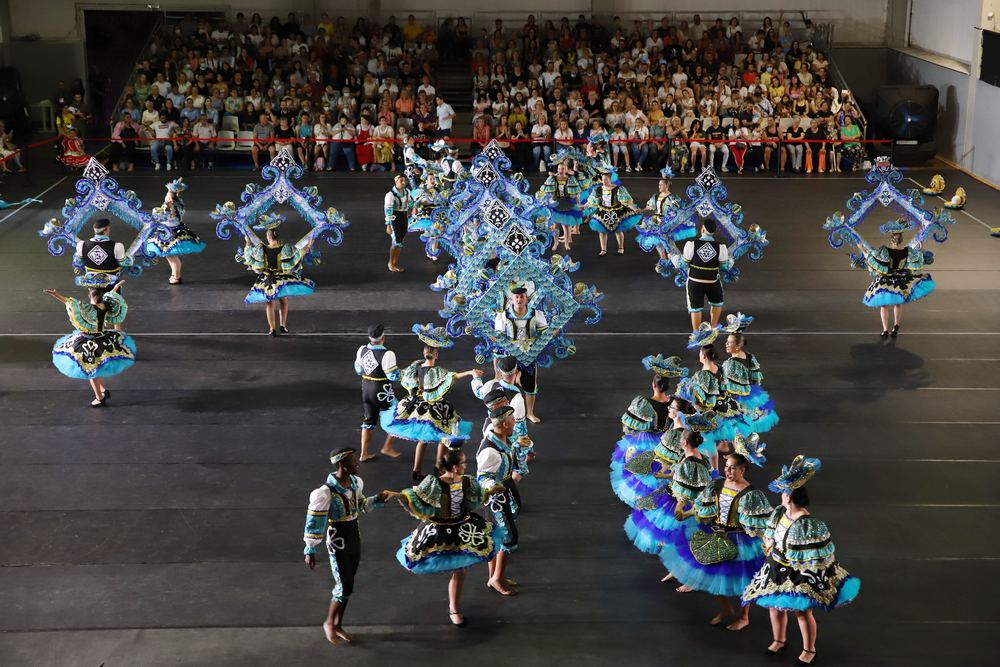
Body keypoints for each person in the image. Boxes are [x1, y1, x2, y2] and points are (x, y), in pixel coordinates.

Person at [741, 456, 861, 664]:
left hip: (798, 572)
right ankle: (779, 640)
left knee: (802, 612)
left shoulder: (807, 524)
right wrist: (769, 547)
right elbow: (770, 535)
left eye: (783, 492)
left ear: (789, 497)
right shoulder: (779, 513)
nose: (780, 496)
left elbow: (815, 555)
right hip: (775, 566)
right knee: (774, 606)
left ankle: (809, 650)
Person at [383, 447, 503, 627]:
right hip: (441, 530)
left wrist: (491, 491)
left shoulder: (466, 482)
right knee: (456, 569)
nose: (466, 466)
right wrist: (396, 495)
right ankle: (453, 608)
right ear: (454, 467)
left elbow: (476, 496)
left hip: (463, 526)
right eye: (463, 463)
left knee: (461, 570)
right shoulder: (434, 484)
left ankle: (457, 606)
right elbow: (416, 497)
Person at [663, 442, 771, 631]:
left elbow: (758, 524)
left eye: (733, 468)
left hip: (740, 539)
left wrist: (767, 542)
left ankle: (744, 617)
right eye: (727, 467)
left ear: (743, 470)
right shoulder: (717, 483)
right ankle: (726, 609)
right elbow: (703, 506)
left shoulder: (752, 494)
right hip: (716, 533)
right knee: (714, 573)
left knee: (744, 580)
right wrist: (687, 513)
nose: (728, 471)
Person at [302, 448, 390, 645]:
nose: (357, 464)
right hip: (338, 540)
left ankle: (338, 624)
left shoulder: (355, 483)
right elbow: (314, 521)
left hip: (353, 537)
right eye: (353, 461)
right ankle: (329, 623)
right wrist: (310, 548)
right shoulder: (325, 492)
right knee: (344, 585)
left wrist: (377, 499)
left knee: (348, 583)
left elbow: (360, 506)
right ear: (342, 465)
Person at [380, 326, 481, 480]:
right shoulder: (436, 372)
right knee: (445, 434)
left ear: (424, 354)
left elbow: (404, 376)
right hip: (434, 408)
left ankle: (416, 469)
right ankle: (438, 466)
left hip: (415, 406)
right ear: (436, 354)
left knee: (423, 439)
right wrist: (469, 372)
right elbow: (452, 377)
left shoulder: (415, 366)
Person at [43, 283, 134, 407]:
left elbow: (69, 303)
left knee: (91, 371)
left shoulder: (88, 309)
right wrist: (116, 286)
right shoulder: (105, 305)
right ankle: (102, 390)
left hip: (90, 342)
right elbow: (111, 293)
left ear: (91, 298)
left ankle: (99, 397)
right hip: (103, 339)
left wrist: (55, 294)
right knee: (97, 367)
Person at [476, 405, 528, 596]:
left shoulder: (498, 437)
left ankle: (494, 576)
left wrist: (517, 447)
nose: (515, 423)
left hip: (502, 491)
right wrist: (493, 486)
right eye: (513, 420)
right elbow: (482, 478)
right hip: (495, 498)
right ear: (505, 424)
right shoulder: (490, 452)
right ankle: (497, 578)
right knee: (507, 536)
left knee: (496, 535)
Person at [856, 219, 935, 338]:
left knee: (884, 305)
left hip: (886, 280)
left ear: (891, 240)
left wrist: (862, 248)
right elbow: (917, 258)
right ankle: (896, 325)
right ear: (902, 240)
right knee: (898, 302)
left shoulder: (885, 251)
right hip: (901, 279)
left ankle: (885, 330)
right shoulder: (907, 252)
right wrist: (921, 246)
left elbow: (872, 259)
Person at [241, 216, 315, 335]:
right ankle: (283, 326)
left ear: (268, 236)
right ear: (276, 236)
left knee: (270, 302)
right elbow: (299, 254)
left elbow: (249, 256)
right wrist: (309, 245)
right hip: (281, 278)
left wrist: (247, 242)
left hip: (268, 279)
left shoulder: (261, 249)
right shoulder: (285, 248)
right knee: (284, 301)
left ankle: (272, 329)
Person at [494, 287, 547, 422]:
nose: (519, 299)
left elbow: (544, 333)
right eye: (516, 297)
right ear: (512, 299)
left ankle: (530, 413)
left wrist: (550, 334)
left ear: (526, 299)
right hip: (510, 355)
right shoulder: (503, 315)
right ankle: (504, 412)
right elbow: (498, 337)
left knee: (530, 385)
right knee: (506, 385)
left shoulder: (536, 314)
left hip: (529, 354)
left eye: (522, 297)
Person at [721, 315, 779, 434]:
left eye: (729, 343)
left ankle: (740, 449)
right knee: (746, 427)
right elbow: (756, 379)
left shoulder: (730, 364)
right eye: (726, 342)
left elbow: (728, 387)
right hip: (752, 396)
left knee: (735, 429)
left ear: (737, 346)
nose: (726, 344)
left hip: (737, 400)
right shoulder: (749, 356)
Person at [354, 323, 401, 462]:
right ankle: (387, 446)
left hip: (366, 388)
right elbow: (393, 376)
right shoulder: (387, 354)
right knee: (399, 414)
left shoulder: (361, 350)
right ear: (383, 338)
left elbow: (358, 370)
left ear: (369, 337)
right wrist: (404, 373)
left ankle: (364, 453)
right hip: (382, 389)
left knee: (368, 421)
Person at [146, 178, 205, 284]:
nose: (166, 197)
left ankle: (177, 277)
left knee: (172, 256)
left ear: (171, 198)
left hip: (172, 233)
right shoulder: (177, 203)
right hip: (170, 230)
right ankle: (174, 274)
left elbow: (159, 216)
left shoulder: (169, 206)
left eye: (167, 195)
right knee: (169, 256)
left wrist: (157, 210)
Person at [680, 220, 731, 330]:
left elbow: (682, 264)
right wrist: (731, 260)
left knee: (696, 308)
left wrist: (673, 257)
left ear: (702, 230)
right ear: (713, 232)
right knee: (717, 303)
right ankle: (712, 329)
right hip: (712, 283)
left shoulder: (691, 245)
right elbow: (724, 267)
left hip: (695, 282)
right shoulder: (721, 247)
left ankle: (697, 334)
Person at [583, 167, 640, 256]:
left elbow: (626, 201)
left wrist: (633, 208)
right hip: (603, 211)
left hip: (616, 211)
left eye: (606, 180)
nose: (604, 182)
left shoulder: (619, 189)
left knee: (618, 230)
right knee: (601, 231)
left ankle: (621, 247)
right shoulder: (598, 189)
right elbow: (591, 200)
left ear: (610, 179)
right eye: (603, 180)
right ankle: (603, 249)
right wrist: (584, 206)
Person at [536, 160, 582, 251]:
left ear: (566, 170)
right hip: (555, 203)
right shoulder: (552, 179)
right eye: (559, 168)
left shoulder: (571, 179)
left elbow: (576, 193)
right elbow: (545, 192)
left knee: (566, 225)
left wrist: (579, 203)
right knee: (555, 225)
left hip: (567, 203)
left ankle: (566, 243)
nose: (560, 170)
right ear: (557, 169)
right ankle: (555, 242)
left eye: (562, 168)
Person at [75, 218, 128, 289]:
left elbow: (78, 262)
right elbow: (124, 263)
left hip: (91, 282)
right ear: (106, 229)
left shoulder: (82, 245)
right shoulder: (117, 246)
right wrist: (130, 258)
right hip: (111, 281)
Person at [383, 173, 410, 273]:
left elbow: (409, 203)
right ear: (396, 181)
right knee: (395, 241)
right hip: (395, 219)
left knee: (400, 242)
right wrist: (388, 225)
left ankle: (395, 263)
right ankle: (390, 263)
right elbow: (388, 211)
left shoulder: (407, 191)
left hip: (404, 218)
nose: (403, 182)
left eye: (404, 180)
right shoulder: (390, 195)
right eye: (401, 181)